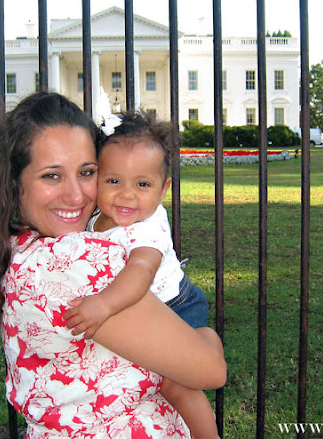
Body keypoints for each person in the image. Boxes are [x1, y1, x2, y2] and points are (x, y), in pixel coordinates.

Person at [0, 91, 226, 439]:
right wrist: (207, 338)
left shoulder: (17, 248)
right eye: (51, 176)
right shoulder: (71, 264)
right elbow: (210, 371)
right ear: (14, 182)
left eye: (86, 172)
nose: (76, 195)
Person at [62, 111, 218, 438]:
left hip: (176, 306)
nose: (127, 195)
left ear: (164, 190)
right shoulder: (98, 216)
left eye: (143, 184)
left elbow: (140, 271)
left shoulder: (148, 227)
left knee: (176, 384)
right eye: (114, 181)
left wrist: (103, 305)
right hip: (144, 308)